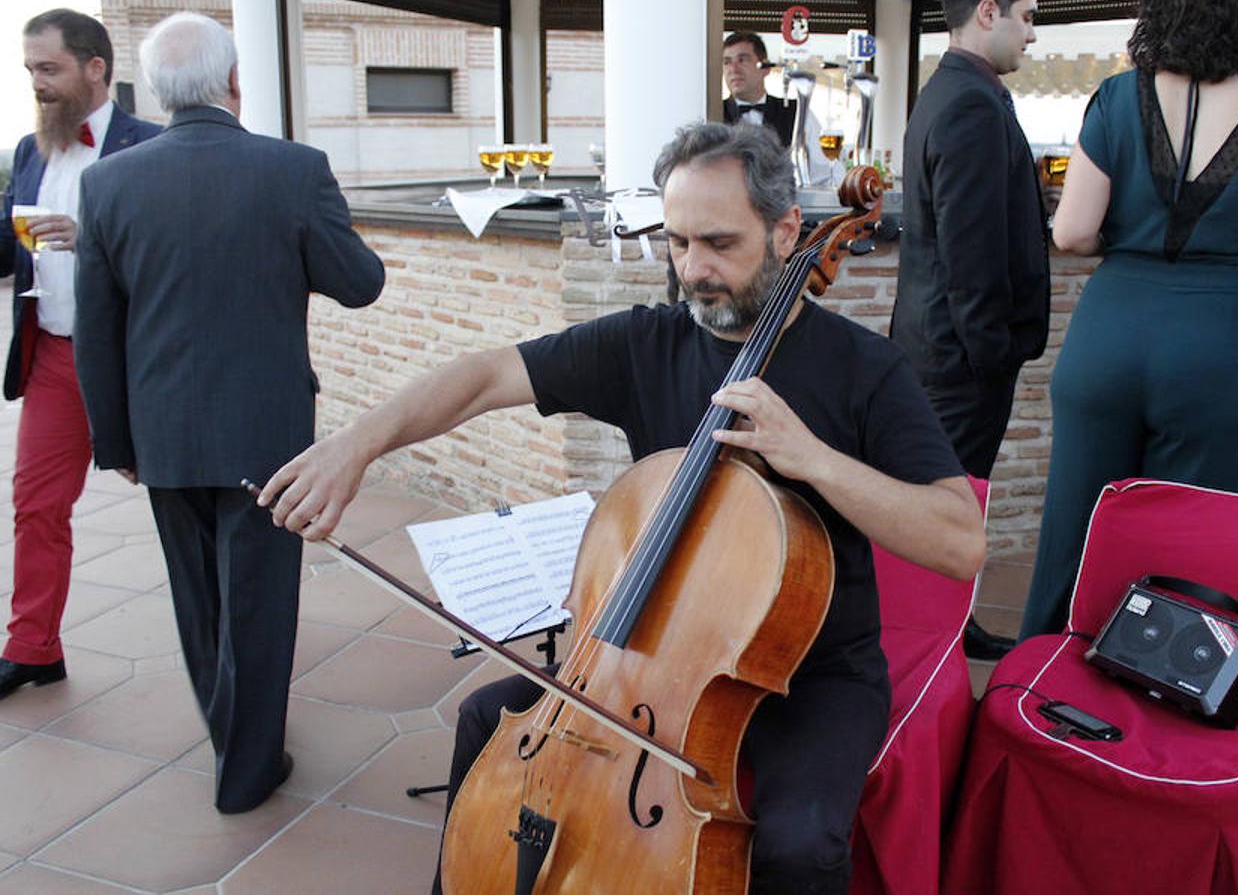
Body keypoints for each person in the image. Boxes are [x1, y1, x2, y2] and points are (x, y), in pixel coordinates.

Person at [260, 122, 985, 893]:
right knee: (484, 723)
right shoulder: (649, 344)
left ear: (786, 231)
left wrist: (813, 458)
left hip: (810, 676)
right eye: (676, 243)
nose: (693, 271)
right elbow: (483, 376)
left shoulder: (865, 370)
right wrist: (356, 444)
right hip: (647, 662)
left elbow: (959, 542)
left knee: (799, 847)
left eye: (718, 243)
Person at [73, 12, 384, 814]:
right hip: (267, 430)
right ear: (233, 82)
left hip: (163, 429)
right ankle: (246, 773)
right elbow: (360, 281)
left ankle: (231, 738)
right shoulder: (294, 169)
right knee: (259, 600)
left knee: (200, 599)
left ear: (160, 92)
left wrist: (115, 443)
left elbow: (96, 333)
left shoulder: (107, 184)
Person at [1019, 0, 1238, 640]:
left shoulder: (1118, 95)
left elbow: (1073, 231)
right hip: (1221, 343)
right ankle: (1148, 714)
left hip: (1110, 334)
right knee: (1184, 551)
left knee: (1076, 536)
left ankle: (1036, 701)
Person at [0, 10, 160, 701]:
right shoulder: (30, 151)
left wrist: (92, 230)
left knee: (194, 509)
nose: (36, 82)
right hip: (56, 359)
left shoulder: (152, 146)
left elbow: (173, 251)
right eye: (30, 69)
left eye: (49, 68)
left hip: (141, 360)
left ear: (96, 67)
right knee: (36, 505)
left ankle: (231, 658)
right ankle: (33, 647)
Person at [888, 0, 1048, 660]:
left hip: (943, 350)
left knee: (949, 499)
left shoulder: (951, 91)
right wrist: (993, 355)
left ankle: (951, 624)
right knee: (948, 504)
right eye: (1029, 16)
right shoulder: (970, 105)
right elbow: (972, 251)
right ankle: (934, 640)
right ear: (989, 11)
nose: (1033, 36)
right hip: (959, 358)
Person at [722, 31, 834, 186]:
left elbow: (825, 173)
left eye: (742, 60)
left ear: (766, 67)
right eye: (727, 62)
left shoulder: (798, 112)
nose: (733, 69)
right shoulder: (711, 113)